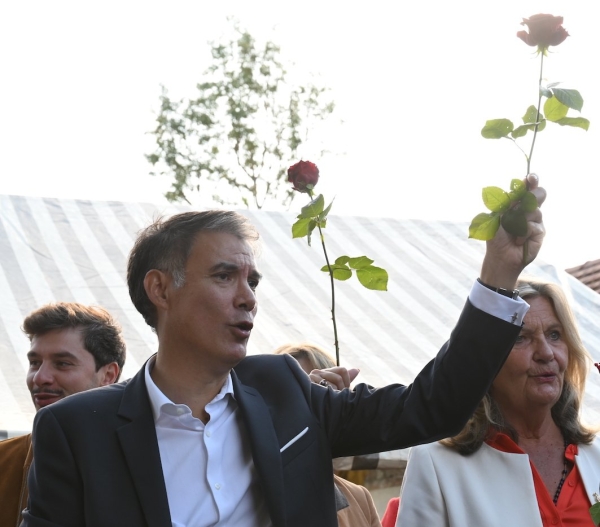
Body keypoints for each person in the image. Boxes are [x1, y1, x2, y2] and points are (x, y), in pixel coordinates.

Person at [24, 174, 546, 527]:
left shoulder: (284, 390)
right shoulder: (75, 430)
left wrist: (498, 276)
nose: (248, 296)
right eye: (225, 276)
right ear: (161, 289)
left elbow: (430, 407)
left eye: (253, 279)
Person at [395, 278, 600, 527]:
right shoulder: (437, 464)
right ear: (485, 360)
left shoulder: (596, 455)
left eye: (555, 335)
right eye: (521, 338)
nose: (546, 353)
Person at [0, 302, 126, 527]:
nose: (40, 377)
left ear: (108, 375)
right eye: (34, 363)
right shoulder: (4, 459)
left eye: (62, 364)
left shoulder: (147, 459)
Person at [274, 342, 382, 527]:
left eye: (323, 394)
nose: (309, 407)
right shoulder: (248, 489)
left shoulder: (359, 499)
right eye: (297, 393)